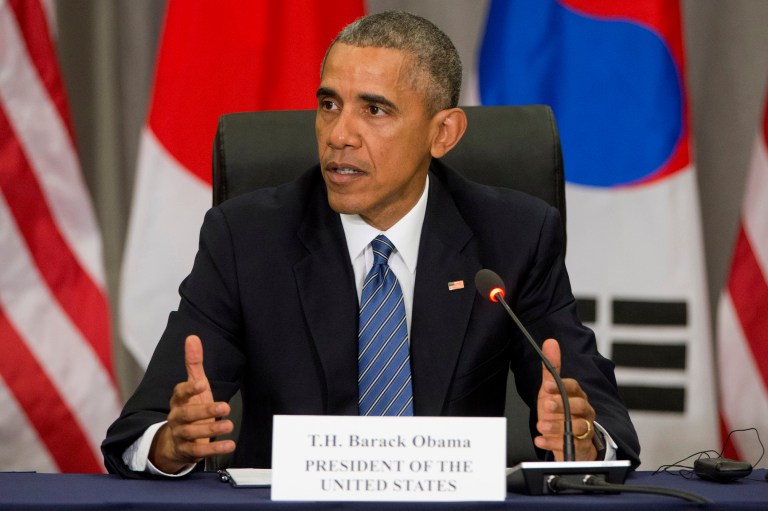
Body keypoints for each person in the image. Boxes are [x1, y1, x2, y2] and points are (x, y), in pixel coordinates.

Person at [102, 10, 640, 478]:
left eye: (374, 110)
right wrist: (171, 444)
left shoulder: (514, 237)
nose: (339, 134)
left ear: (443, 133)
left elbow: (605, 422)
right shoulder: (246, 239)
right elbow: (138, 433)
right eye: (329, 104)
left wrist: (582, 437)